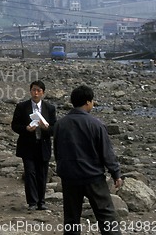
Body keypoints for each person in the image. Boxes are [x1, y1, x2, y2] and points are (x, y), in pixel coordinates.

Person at [53, 85, 122, 235]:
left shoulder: (60, 124)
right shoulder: (96, 124)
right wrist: (116, 173)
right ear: (88, 102)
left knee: (71, 219)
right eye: (92, 101)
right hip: (93, 177)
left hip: (70, 177)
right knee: (106, 217)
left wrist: (62, 170)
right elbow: (106, 153)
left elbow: (57, 151)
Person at [11, 80, 56, 211]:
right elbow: (15, 125)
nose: (36, 93)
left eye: (38, 91)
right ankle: (32, 202)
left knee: (42, 174)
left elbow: (54, 128)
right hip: (28, 145)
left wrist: (46, 128)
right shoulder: (22, 107)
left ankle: (41, 202)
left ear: (43, 93)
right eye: (33, 90)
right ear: (30, 91)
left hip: (43, 145)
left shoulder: (49, 108)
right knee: (30, 173)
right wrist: (26, 128)